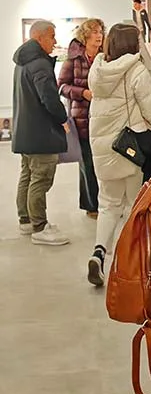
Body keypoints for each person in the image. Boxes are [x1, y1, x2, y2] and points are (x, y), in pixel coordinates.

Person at [84, 23, 151, 286]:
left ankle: (99, 253)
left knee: (108, 203)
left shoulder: (97, 69)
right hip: (129, 148)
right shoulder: (136, 71)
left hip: (102, 148)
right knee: (135, 207)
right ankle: (133, 264)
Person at [14, 20, 71, 246]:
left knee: (27, 176)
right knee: (41, 178)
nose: (55, 41)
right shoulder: (39, 64)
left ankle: (26, 220)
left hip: (27, 131)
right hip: (41, 132)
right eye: (52, 36)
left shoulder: (23, 62)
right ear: (39, 37)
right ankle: (39, 226)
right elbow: (49, 97)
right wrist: (62, 118)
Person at [58, 18, 105, 218]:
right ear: (85, 36)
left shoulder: (106, 58)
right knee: (87, 163)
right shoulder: (73, 60)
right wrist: (82, 93)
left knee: (105, 162)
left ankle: (107, 203)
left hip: (104, 117)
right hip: (82, 118)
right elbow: (61, 86)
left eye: (101, 31)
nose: (99, 35)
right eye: (94, 32)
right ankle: (91, 205)